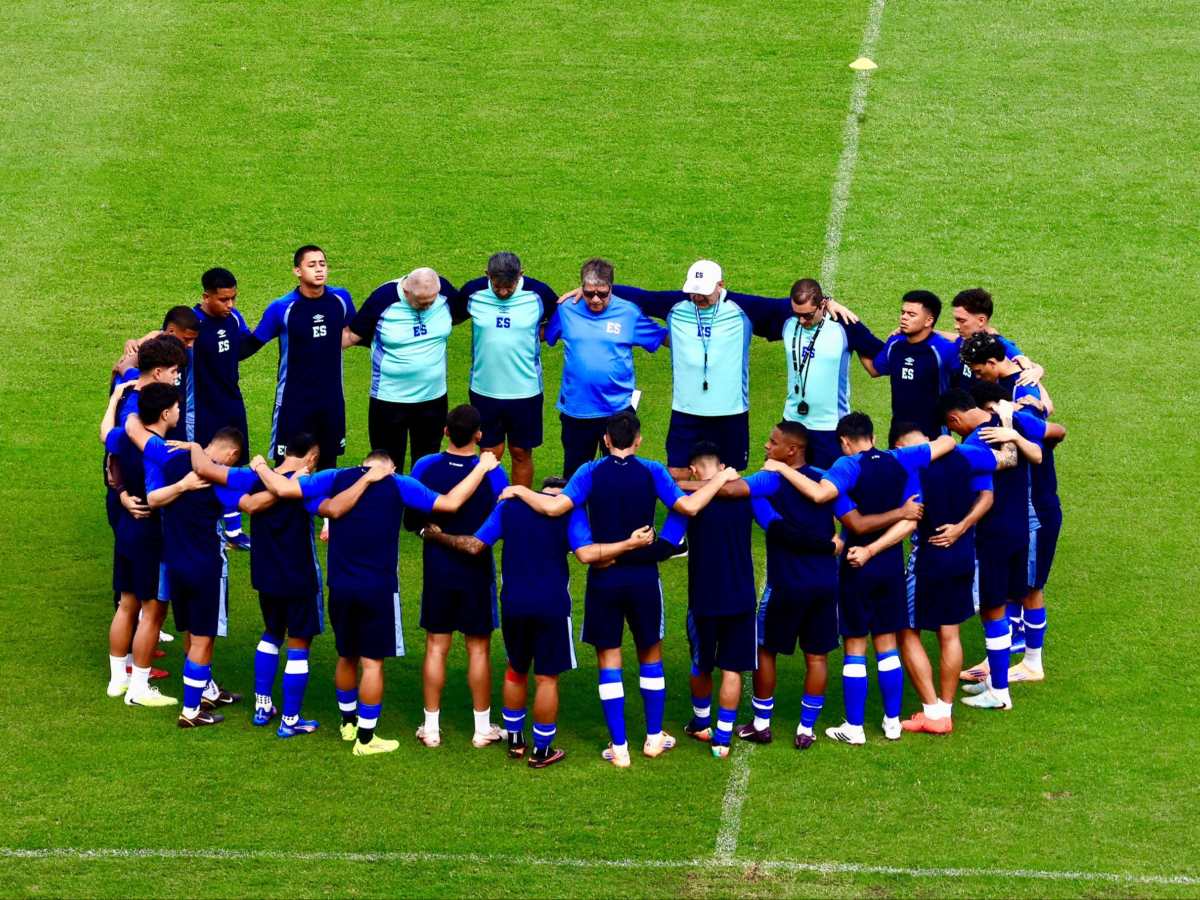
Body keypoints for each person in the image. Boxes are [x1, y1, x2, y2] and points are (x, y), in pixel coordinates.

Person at [499, 410, 739, 767]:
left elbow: (554, 508)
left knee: (609, 659)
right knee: (650, 656)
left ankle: (620, 747)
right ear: (638, 440)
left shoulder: (588, 472)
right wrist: (719, 479)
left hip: (604, 578)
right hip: (643, 579)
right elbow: (688, 507)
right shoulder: (652, 470)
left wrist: (520, 489)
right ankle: (654, 739)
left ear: (606, 440)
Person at [257, 448, 500, 755]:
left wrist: (260, 466)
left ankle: (348, 723)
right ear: (392, 467)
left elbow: (282, 488)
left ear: (364, 464)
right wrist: (481, 468)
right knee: (372, 663)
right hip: (378, 589)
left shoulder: (335, 477)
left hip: (340, 586)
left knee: (346, 656)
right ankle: (366, 739)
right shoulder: (399, 484)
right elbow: (451, 502)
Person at [419, 477, 649, 768]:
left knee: (515, 671)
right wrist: (627, 545)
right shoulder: (570, 510)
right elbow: (587, 554)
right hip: (552, 606)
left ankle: (515, 740)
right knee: (546, 678)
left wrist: (437, 536)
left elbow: (474, 545)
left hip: (514, 604)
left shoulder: (509, 507)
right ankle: (542, 750)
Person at [764, 412, 957, 744]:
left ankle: (854, 728)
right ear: (873, 437)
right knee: (887, 644)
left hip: (857, 564)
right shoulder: (901, 459)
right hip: (891, 566)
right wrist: (891, 527)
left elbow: (822, 496)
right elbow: (945, 446)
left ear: (844, 441)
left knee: (855, 645)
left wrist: (781, 468)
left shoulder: (846, 466)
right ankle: (892, 722)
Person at [657, 443, 792, 759]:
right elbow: (777, 526)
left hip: (703, 598)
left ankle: (701, 723)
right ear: (722, 467)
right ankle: (722, 739)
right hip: (741, 597)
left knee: (701, 664)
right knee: (732, 669)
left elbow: (666, 545)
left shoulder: (688, 503)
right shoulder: (747, 497)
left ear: (693, 470)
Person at [186, 433, 326, 737]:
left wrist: (194, 446)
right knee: (299, 643)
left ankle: (262, 706)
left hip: (265, 574)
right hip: (299, 576)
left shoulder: (253, 478)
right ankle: (290, 720)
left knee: (272, 634)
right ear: (312, 458)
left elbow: (236, 494)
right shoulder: (308, 483)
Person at [724, 422, 844, 750]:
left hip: (786, 584)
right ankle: (806, 729)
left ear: (791, 450)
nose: (766, 446)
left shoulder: (769, 483)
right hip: (825, 584)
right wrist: (834, 543)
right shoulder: (825, 479)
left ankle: (761, 724)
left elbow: (773, 526)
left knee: (765, 650)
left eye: (772, 441)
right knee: (817, 657)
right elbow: (849, 516)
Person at [938, 389, 1053, 711]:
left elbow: (997, 468)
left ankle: (999, 691)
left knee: (993, 610)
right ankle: (995, 680)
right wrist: (1012, 431)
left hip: (992, 536)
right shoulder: (1006, 421)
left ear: (954, 418)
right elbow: (1038, 454)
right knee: (1007, 602)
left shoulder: (977, 441)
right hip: (1020, 531)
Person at [405, 405, 510, 749]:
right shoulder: (494, 473)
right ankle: (482, 729)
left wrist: (430, 533)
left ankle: (431, 728)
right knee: (478, 649)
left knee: (436, 646)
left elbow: (413, 518)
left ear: (446, 432)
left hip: (438, 568)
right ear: (479, 435)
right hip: (476, 571)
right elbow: (504, 517)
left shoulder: (424, 466)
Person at [133, 417, 247, 727]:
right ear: (232, 454)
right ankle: (191, 710)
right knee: (203, 640)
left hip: (175, 565)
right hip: (206, 568)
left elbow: (155, 496)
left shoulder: (173, 464)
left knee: (192, 633)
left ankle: (205, 693)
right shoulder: (221, 480)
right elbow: (241, 521)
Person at [889, 422, 1000, 734]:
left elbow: (911, 519)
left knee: (906, 630)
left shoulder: (908, 466)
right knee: (949, 633)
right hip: (963, 556)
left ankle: (932, 711)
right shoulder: (968, 455)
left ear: (900, 447)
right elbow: (988, 493)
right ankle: (946, 710)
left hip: (928, 559)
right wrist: (961, 527)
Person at [543, 258, 668, 479]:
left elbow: (660, 337)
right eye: (589, 293)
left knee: (619, 475)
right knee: (575, 475)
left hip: (617, 409)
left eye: (602, 293)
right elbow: (546, 335)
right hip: (576, 410)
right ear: (581, 287)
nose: (595, 299)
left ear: (611, 288)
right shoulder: (566, 310)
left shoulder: (629, 313)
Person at [100, 381, 180, 706]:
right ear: (165, 413)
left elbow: (107, 438)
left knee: (126, 604)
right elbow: (157, 496)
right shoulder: (160, 452)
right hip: (151, 534)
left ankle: (118, 680)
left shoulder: (124, 437)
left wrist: (116, 398)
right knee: (152, 612)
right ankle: (140, 688)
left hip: (126, 528)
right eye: (176, 407)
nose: (179, 410)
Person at [244, 245, 355, 469]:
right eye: (311, 265)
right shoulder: (282, 308)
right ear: (297, 271)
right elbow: (251, 344)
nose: (319, 269)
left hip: (331, 400)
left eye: (322, 264)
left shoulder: (340, 299)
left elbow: (358, 331)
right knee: (287, 465)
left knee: (328, 465)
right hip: (293, 402)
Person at [453, 252, 558, 487]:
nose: (502, 292)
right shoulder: (473, 293)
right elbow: (452, 315)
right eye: (497, 286)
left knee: (521, 452)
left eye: (508, 287)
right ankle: (490, 505)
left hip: (526, 391)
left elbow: (563, 318)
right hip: (484, 389)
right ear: (487, 275)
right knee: (489, 454)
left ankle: (518, 504)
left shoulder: (539, 294)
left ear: (520, 275)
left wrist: (539, 335)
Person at [344, 266, 462, 472]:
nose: (427, 306)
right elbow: (350, 336)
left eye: (431, 301)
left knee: (426, 466)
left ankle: (420, 496)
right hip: (389, 400)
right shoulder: (383, 299)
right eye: (421, 302)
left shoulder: (444, 293)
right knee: (386, 466)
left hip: (433, 400)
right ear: (407, 292)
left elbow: (461, 313)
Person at [778, 279, 884, 468]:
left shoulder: (845, 325)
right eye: (797, 315)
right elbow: (751, 304)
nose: (802, 321)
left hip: (829, 428)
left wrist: (900, 339)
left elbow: (881, 357)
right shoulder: (789, 318)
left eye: (808, 316)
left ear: (822, 305)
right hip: (792, 423)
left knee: (827, 482)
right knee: (785, 479)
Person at [189, 267, 256, 548]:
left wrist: (267, 331)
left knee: (234, 463)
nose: (230, 305)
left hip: (231, 402)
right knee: (206, 465)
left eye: (233, 298)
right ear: (206, 297)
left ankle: (233, 531)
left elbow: (242, 348)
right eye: (224, 299)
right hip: (202, 408)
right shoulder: (192, 323)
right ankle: (209, 525)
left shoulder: (234, 318)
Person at [863, 291, 960, 439]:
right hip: (898, 432)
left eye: (911, 314)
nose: (904, 317)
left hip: (934, 434)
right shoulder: (895, 343)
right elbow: (875, 370)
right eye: (903, 313)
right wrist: (854, 338)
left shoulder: (944, 349)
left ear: (928, 321)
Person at [948, 288, 1043, 388]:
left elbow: (1025, 366)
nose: (956, 326)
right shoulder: (968, 339)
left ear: (981, 320)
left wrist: (1037, 370)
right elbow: (954, 338)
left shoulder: (998, 345)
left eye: (961, 321)